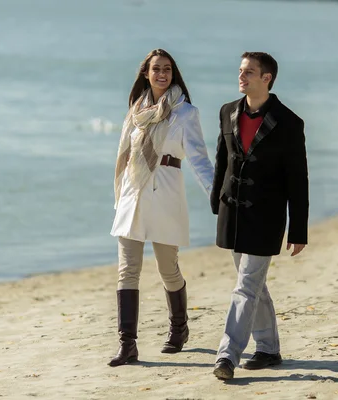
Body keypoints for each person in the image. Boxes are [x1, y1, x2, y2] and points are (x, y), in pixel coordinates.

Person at [108, 49, 214, 367]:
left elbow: (198, 159)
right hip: (134, 194)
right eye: (156, 69)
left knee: (168, 268)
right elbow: (124, 156)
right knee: (127, 270)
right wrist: (120, 194)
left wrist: (215, 194)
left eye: (167, 69)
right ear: (146, 73)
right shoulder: (135, 111)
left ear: (173, 74)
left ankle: (179, 328)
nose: (162, 74)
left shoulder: (185, 113)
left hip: (166, 192)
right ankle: (128, 345)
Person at [210, 52, 309, 380]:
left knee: (246, 286)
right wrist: (216, 203)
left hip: (266, 218)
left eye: (249, 72)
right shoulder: (227, 112)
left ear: (267, 78)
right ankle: (268, 348)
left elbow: (297, 179)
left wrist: (298, 229)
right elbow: (221, 162)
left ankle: (227, 355)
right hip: (233, 212)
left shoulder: (289, 123)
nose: (242, 76)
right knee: (252, 284)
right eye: (240, 71)